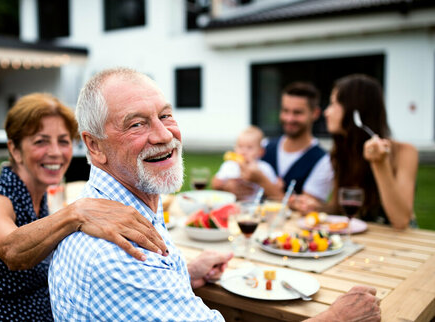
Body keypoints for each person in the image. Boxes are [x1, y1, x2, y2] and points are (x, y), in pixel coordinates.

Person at [49, 68, 381, 321]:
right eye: (137, 124)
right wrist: (336, 318)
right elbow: (133, 278)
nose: (164, 134)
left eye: (165, 115)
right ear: (94, 145)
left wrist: (184, 273)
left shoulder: (123, 206)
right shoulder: (117, 255)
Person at [0, 93, 168, 321]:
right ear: (14, 149)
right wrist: (76, 213)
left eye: (63, 141)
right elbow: (11, 251)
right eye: (41, 141)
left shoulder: (38, 196)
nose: (55, 152)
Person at [303, 74, 417, 229]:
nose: (326, 112)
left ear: (354, 111)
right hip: (362, 243)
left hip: (401, 246)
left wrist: (380, 163)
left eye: (333, 104)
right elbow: (339, 207)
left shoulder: (404, 152)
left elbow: (401, 221)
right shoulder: (341, 152)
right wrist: (314, 208)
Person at [260, 82, 334, 207]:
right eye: (285, 111)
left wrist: (263, 182)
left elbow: (306, 209)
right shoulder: (265, 146)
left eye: (297, 113)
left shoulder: (324, 161)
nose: (289, 119)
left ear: (315, 113)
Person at [212, 125, 282, 200]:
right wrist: (222, 184)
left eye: (249, 147)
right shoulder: (229, 165)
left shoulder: (264, 167)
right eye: (240, 146)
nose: (244, 151)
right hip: (233, 205)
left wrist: (278, 184)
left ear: (260, 152)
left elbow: (275, 186)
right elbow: (216, 183)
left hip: (256, 206)